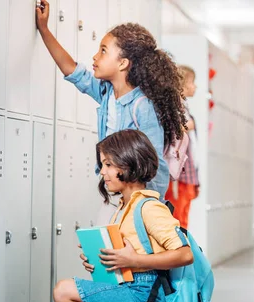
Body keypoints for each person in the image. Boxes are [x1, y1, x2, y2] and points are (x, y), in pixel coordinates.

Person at [49, 129, 193, 302]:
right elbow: (125, 258)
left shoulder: (149, 207)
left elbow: (184, 254)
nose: (102, 171)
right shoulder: (123, 207)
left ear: (129, 162)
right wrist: (100, 260)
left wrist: (133, 259)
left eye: (107, 164)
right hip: (126, 289)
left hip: (143, 300)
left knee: (63, 290)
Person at [36, 1, 186, 215]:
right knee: (101, 246)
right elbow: (72, 70)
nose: (95, 57)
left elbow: (156, 165)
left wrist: (150, 208)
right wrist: (44, 30)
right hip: (115, 192)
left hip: (136, 200)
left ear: (123, 63)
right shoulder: (107, 93)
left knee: (112, 246)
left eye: (103, 51)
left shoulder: (143, 106)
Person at [165, 65, 199, 228]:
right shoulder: (173, 107)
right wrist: (189, 125)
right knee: (177, 218)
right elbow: (172, 130)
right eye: (192, 82)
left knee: (183, 217)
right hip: (179, 174)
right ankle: (179, 251)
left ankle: (184, 251)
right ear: (182, 85)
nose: (195, 87)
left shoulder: (183, 107)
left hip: (187, 173)